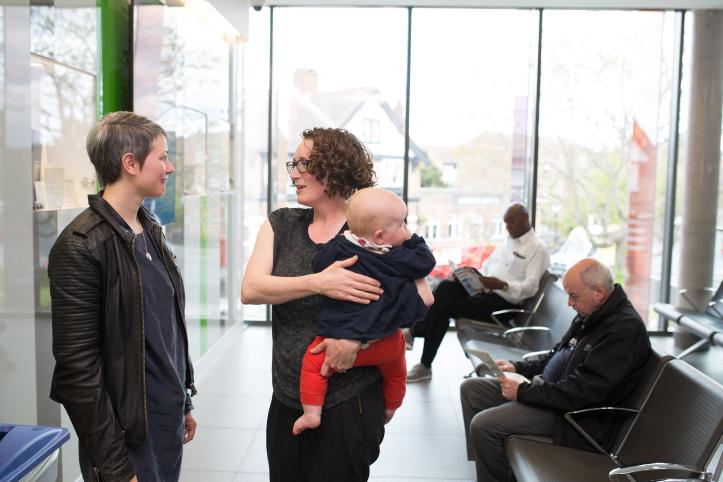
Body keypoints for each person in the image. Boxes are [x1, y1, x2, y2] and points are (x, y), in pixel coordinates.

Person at [48, 111, 197, 482]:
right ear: (129, 163)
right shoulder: (81, 246)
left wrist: (183, 401)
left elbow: (165, 331)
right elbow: (78, 371)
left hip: (164, 419)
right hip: (126, 438)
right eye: (162, 157)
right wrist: (114, 466)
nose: (171, 166)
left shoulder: (149, 229)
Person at [242, 128, 392, 482]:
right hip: (286, 395)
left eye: (304, 163)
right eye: (292, 164)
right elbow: (251, 289)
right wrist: (319, 282)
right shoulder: (281, 224)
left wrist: (360, 341)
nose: (293, 172)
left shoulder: (372, 229)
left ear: (334, 167)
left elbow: (406, 306)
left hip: (348, 401)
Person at [460, 258, 652, 482]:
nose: (569, 303)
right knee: (472, 389)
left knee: (484, 426)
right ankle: (491, 465)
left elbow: (583, 393)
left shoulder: (623, 330)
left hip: (574, 417)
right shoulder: (591, 315)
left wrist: (523, 392)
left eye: (574, 296)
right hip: (550, 394)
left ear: (599, 292)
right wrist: (518, 367)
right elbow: (557, 354)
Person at [293, 187, 435, 435]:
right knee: (396, 371)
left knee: (313, 364)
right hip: (386, 341)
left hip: (337, 337)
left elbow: (319, 263)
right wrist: (415, 240)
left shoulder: (342, 247)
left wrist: (338, 241)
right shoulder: (397, 256)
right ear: (380, 236)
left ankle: (311, 414)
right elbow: (426, 262)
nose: (406, 229)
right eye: (402, 224)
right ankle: (391, 407)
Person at [406, 203, 550, 382]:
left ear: (525, 219)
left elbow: (531, 286)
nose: (507, 228)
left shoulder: (537, 248)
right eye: (505, 223)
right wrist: (471, 276)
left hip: (503, 303)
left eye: (511, 223)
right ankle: (419, 347)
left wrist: (504, 285)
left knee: (446, 307)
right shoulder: (508, 241)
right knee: (446, 287)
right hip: (484, 291)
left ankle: (420, 351)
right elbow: (488, 266)